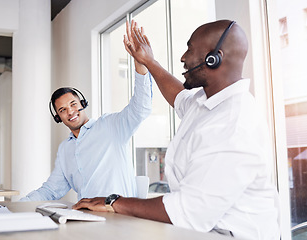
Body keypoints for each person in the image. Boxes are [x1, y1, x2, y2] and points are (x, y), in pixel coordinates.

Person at [73, 20, 280, 240]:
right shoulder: (207, 103)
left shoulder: (233, 122)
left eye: (190, 49)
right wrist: (149, 62)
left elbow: (187, 211)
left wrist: (113, 202)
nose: (183, 57)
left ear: (214, 57)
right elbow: (179, 97)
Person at [20, 22, 152, 202]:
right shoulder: (65, 149)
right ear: (58, 117)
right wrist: (19, 206)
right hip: (85, 216)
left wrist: (141, 65)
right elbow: (51, 190)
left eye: (73, 104)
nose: (70, 112)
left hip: (120, 216)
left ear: (82, 103)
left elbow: (141, 108)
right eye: (63, 110)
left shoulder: (110, 126)